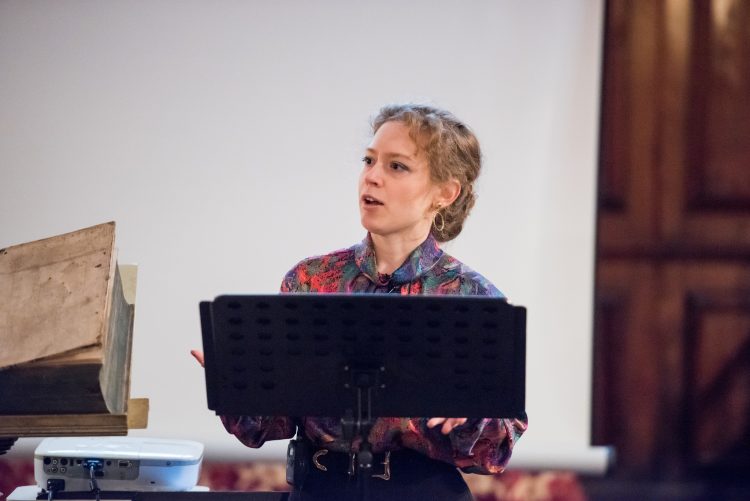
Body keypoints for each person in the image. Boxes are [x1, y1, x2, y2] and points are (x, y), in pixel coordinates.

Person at [192, 104, 527, 500]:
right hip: (318, 489)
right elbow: (266, 426)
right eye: (369, 161)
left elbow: (497, 451)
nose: (372, 176)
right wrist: (236, 382)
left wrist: (474, 416)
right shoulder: (310, 280)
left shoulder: (473, 298)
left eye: (396, 166)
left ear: (444, 193)